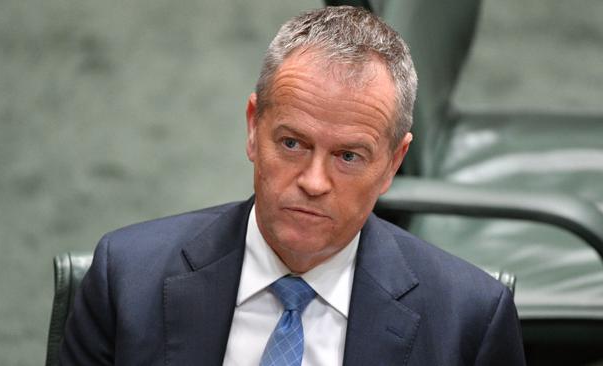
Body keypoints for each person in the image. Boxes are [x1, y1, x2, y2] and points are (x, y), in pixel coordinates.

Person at [60, 6, 525, 365]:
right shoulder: (125, 279)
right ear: (252, 128)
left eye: (348, 156)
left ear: (393, 163)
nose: (314, 181)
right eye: (292, 143)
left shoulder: (469, 321)